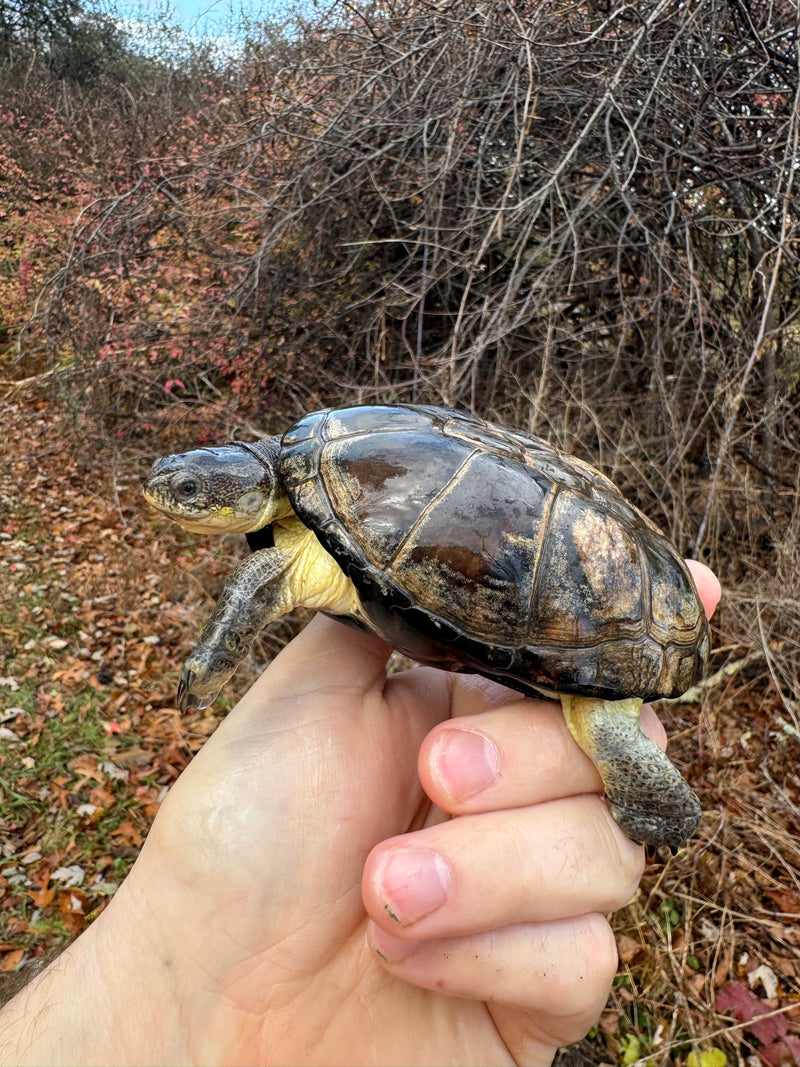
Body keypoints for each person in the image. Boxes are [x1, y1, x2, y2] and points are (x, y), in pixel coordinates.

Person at [0, 563, 720, 1066]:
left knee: (612, 735)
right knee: (605, 732)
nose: (178, 501)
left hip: (571, 623)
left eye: (192, 492)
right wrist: (183, 991)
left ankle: (669, 814)